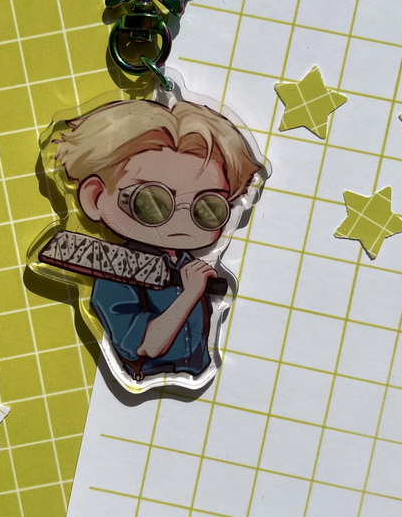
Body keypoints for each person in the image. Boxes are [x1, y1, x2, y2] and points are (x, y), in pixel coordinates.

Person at [54, 99, 260, 381]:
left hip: (200, 374)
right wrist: (189, 294)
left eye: (208, 208)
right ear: (95, 198)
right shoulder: (116, 271)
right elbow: (146, 345)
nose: (182, 220)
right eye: (151, 202)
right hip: (146, 375)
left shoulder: (191, 267)